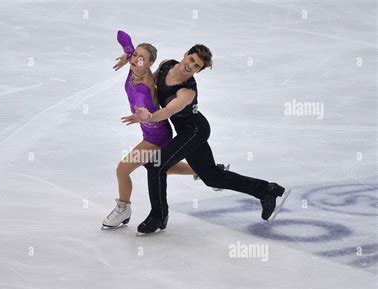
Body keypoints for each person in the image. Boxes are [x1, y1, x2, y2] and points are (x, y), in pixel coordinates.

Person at [122, 45, 289, 233]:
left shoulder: (187, 92)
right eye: (191, 59)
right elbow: (149, 81)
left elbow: (167, 112)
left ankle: (158, 216)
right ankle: (267, 190)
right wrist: (130, 60)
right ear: (185, 54)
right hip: (187, 131)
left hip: (194, 131)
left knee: (156, 165)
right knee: (212, 177)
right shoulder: (166, 65)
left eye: (196, 66)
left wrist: (148, 117)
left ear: (198, 71)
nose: (190, 66)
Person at [102, 31, 199, 228]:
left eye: (142, 58)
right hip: (151, 133)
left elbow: (141, 102)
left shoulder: (143, 89)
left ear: (149, 64)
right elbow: (122, 36)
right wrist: (127, 54)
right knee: (161, 166)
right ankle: (202, 171)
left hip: (156, 136)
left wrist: (143, 114)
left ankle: (123, 209)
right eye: (136, 55)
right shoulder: (135, 63)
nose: (137, 59)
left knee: (123, 169)